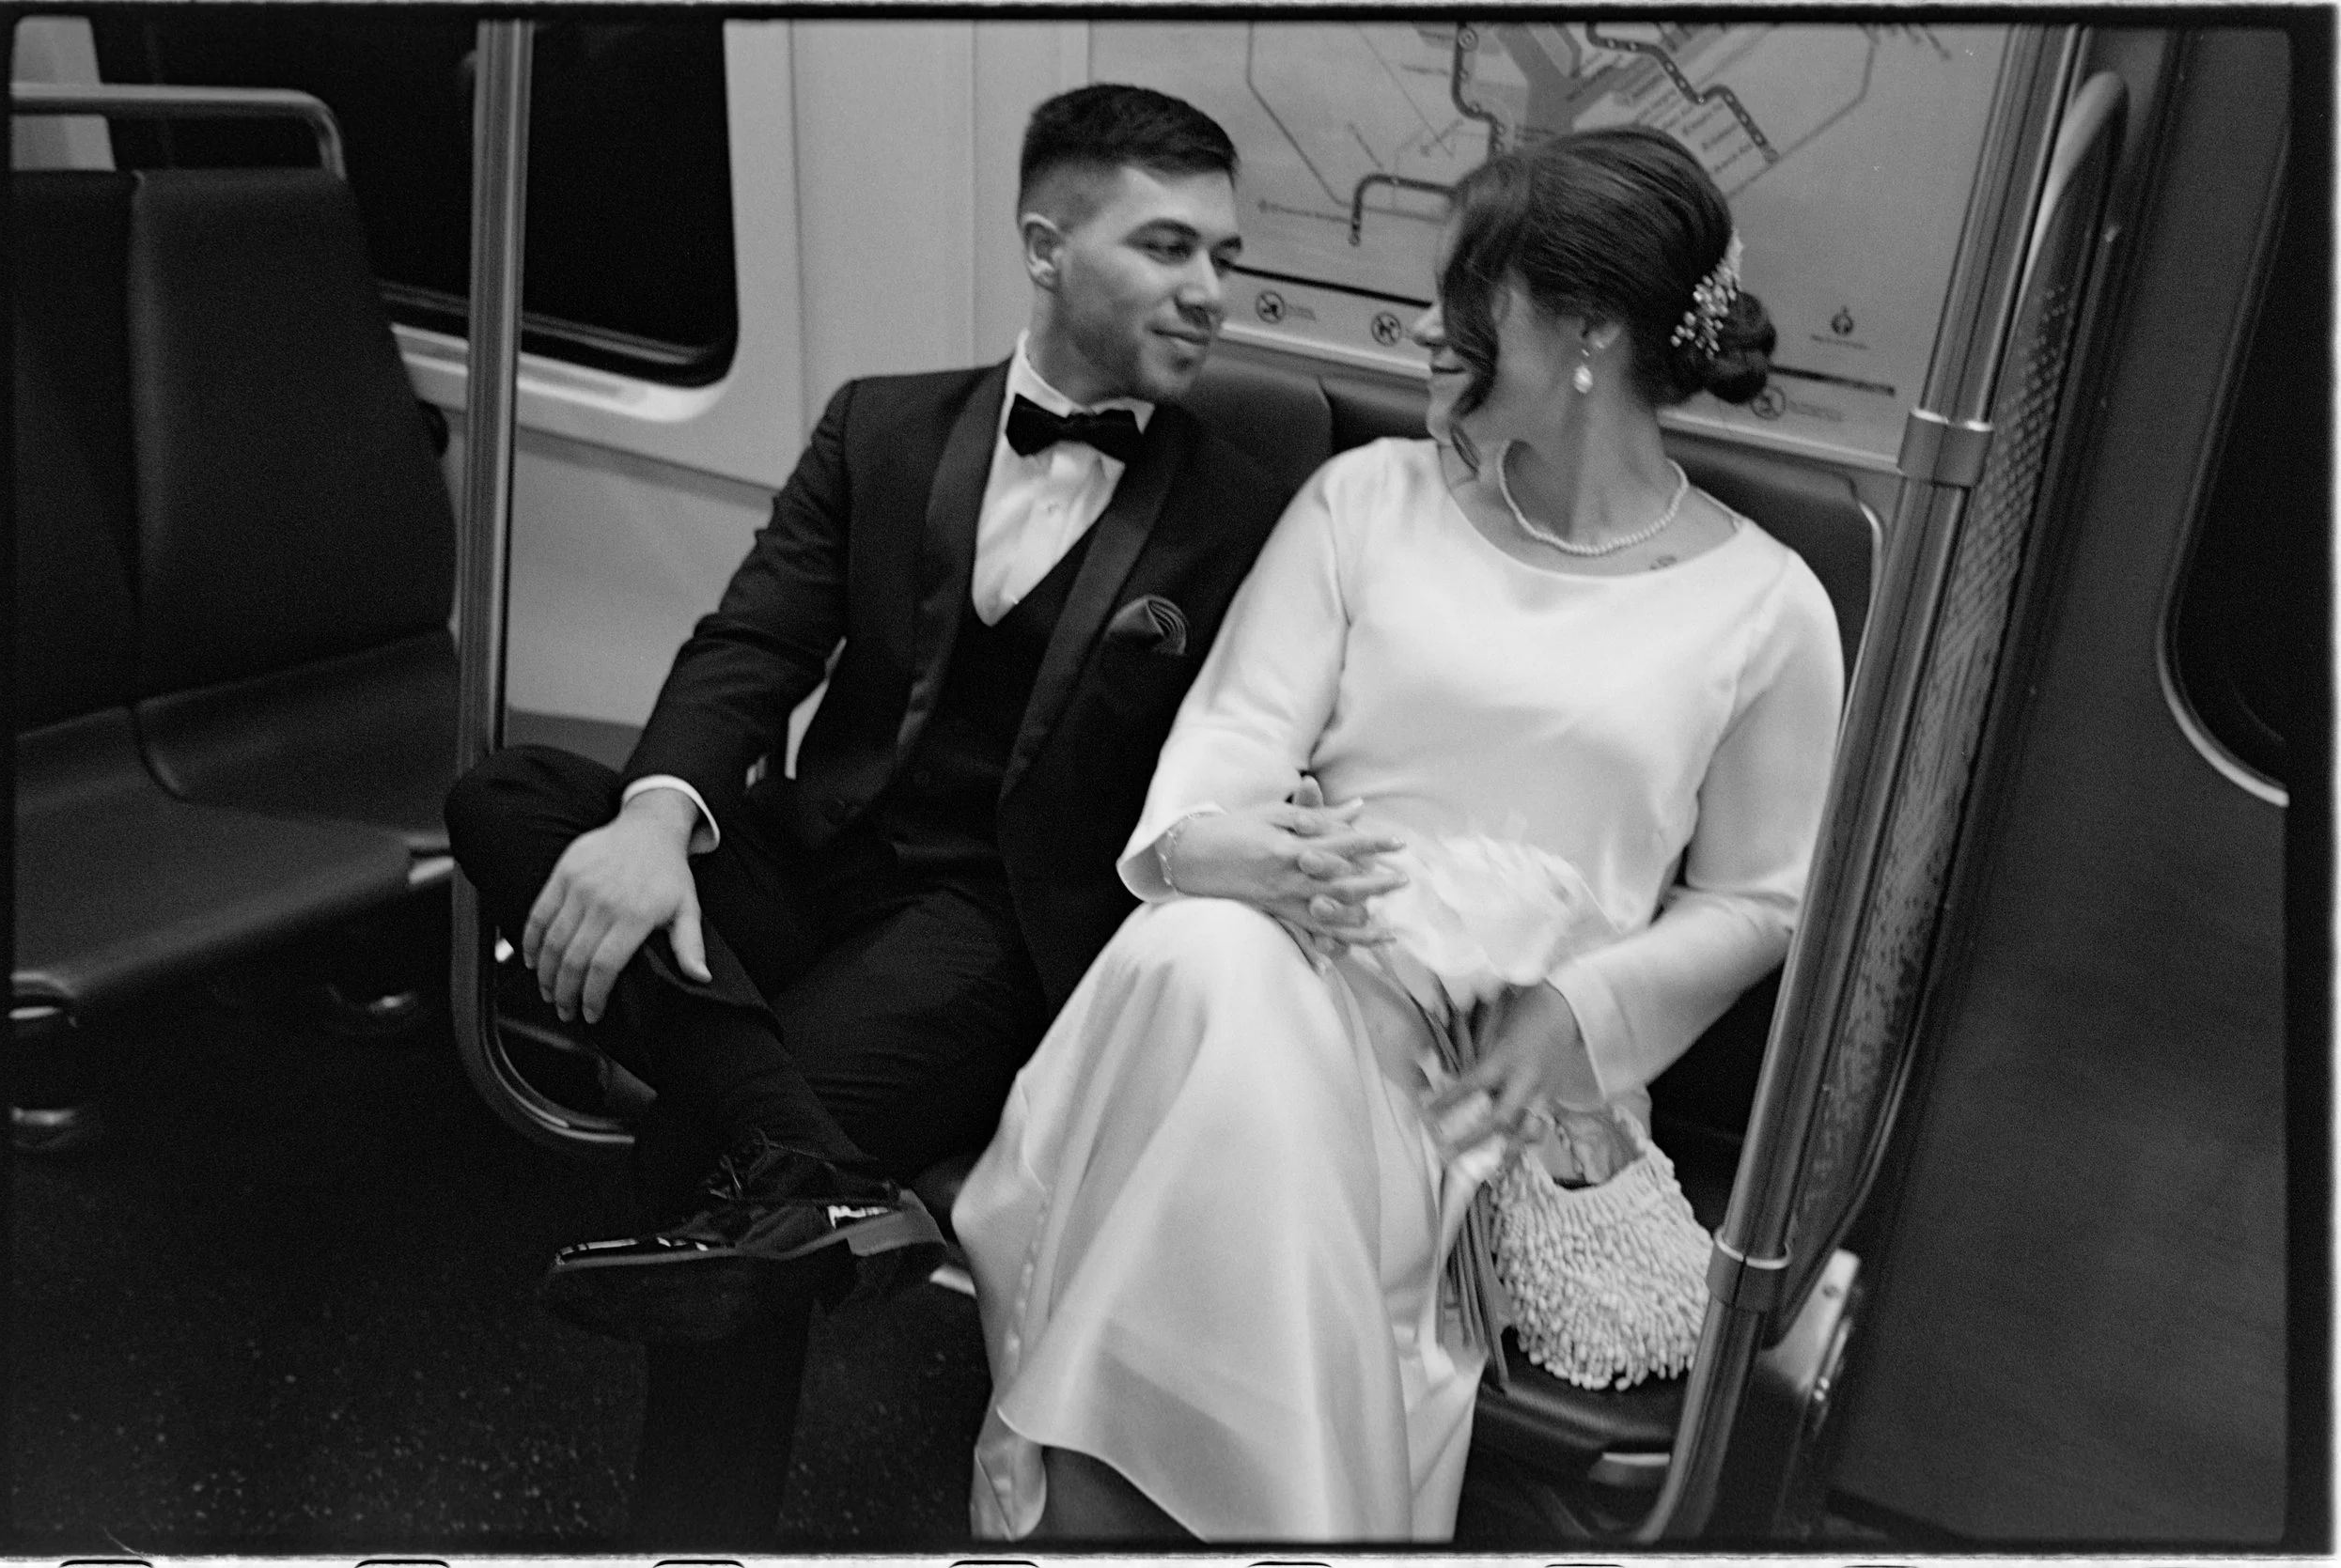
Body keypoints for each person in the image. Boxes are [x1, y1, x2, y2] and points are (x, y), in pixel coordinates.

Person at [954, 125, 1846, 1542]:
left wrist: (1577, 1008)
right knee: (1202, 967)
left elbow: (1766, 897)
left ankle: (1086, 1503)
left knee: (1206, 1015)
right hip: (1276, 956)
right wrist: (1215, 853)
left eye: (1466, 298)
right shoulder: (1364, 504)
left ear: (1587, 334)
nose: (1426, 330)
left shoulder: (1766, 607)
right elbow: (1231, 754)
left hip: (1482, 1064)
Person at [443, 84, 1298, 1545]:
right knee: (507, 793)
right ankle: (818, 1175)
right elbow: (755, 644)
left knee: (703, 1176)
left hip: (1001, 919)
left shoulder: (1257, 502)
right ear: (1046, 246)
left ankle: (696, 1505)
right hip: (805, 846)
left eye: (1223, 254)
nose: (1211, 292)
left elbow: (1250, 741)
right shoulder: (885, 426)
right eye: (1167, 248)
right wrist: (658, 825)